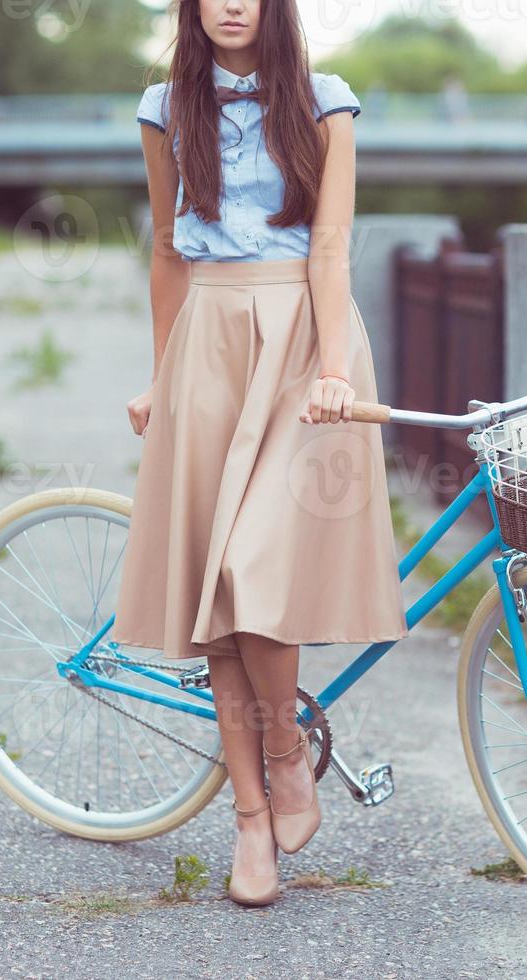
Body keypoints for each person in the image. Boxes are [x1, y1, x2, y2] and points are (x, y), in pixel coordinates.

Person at [110, 0, 409, 908]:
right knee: (217, 592)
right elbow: (166, 249)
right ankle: (252, 815)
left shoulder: (325, 103)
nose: (231, 3)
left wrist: (328, 369)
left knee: (252, 565)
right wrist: (162, 375)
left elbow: (329, 244)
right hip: (208, 340)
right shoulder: (166, 106)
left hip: (300, 345)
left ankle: (285, 752)